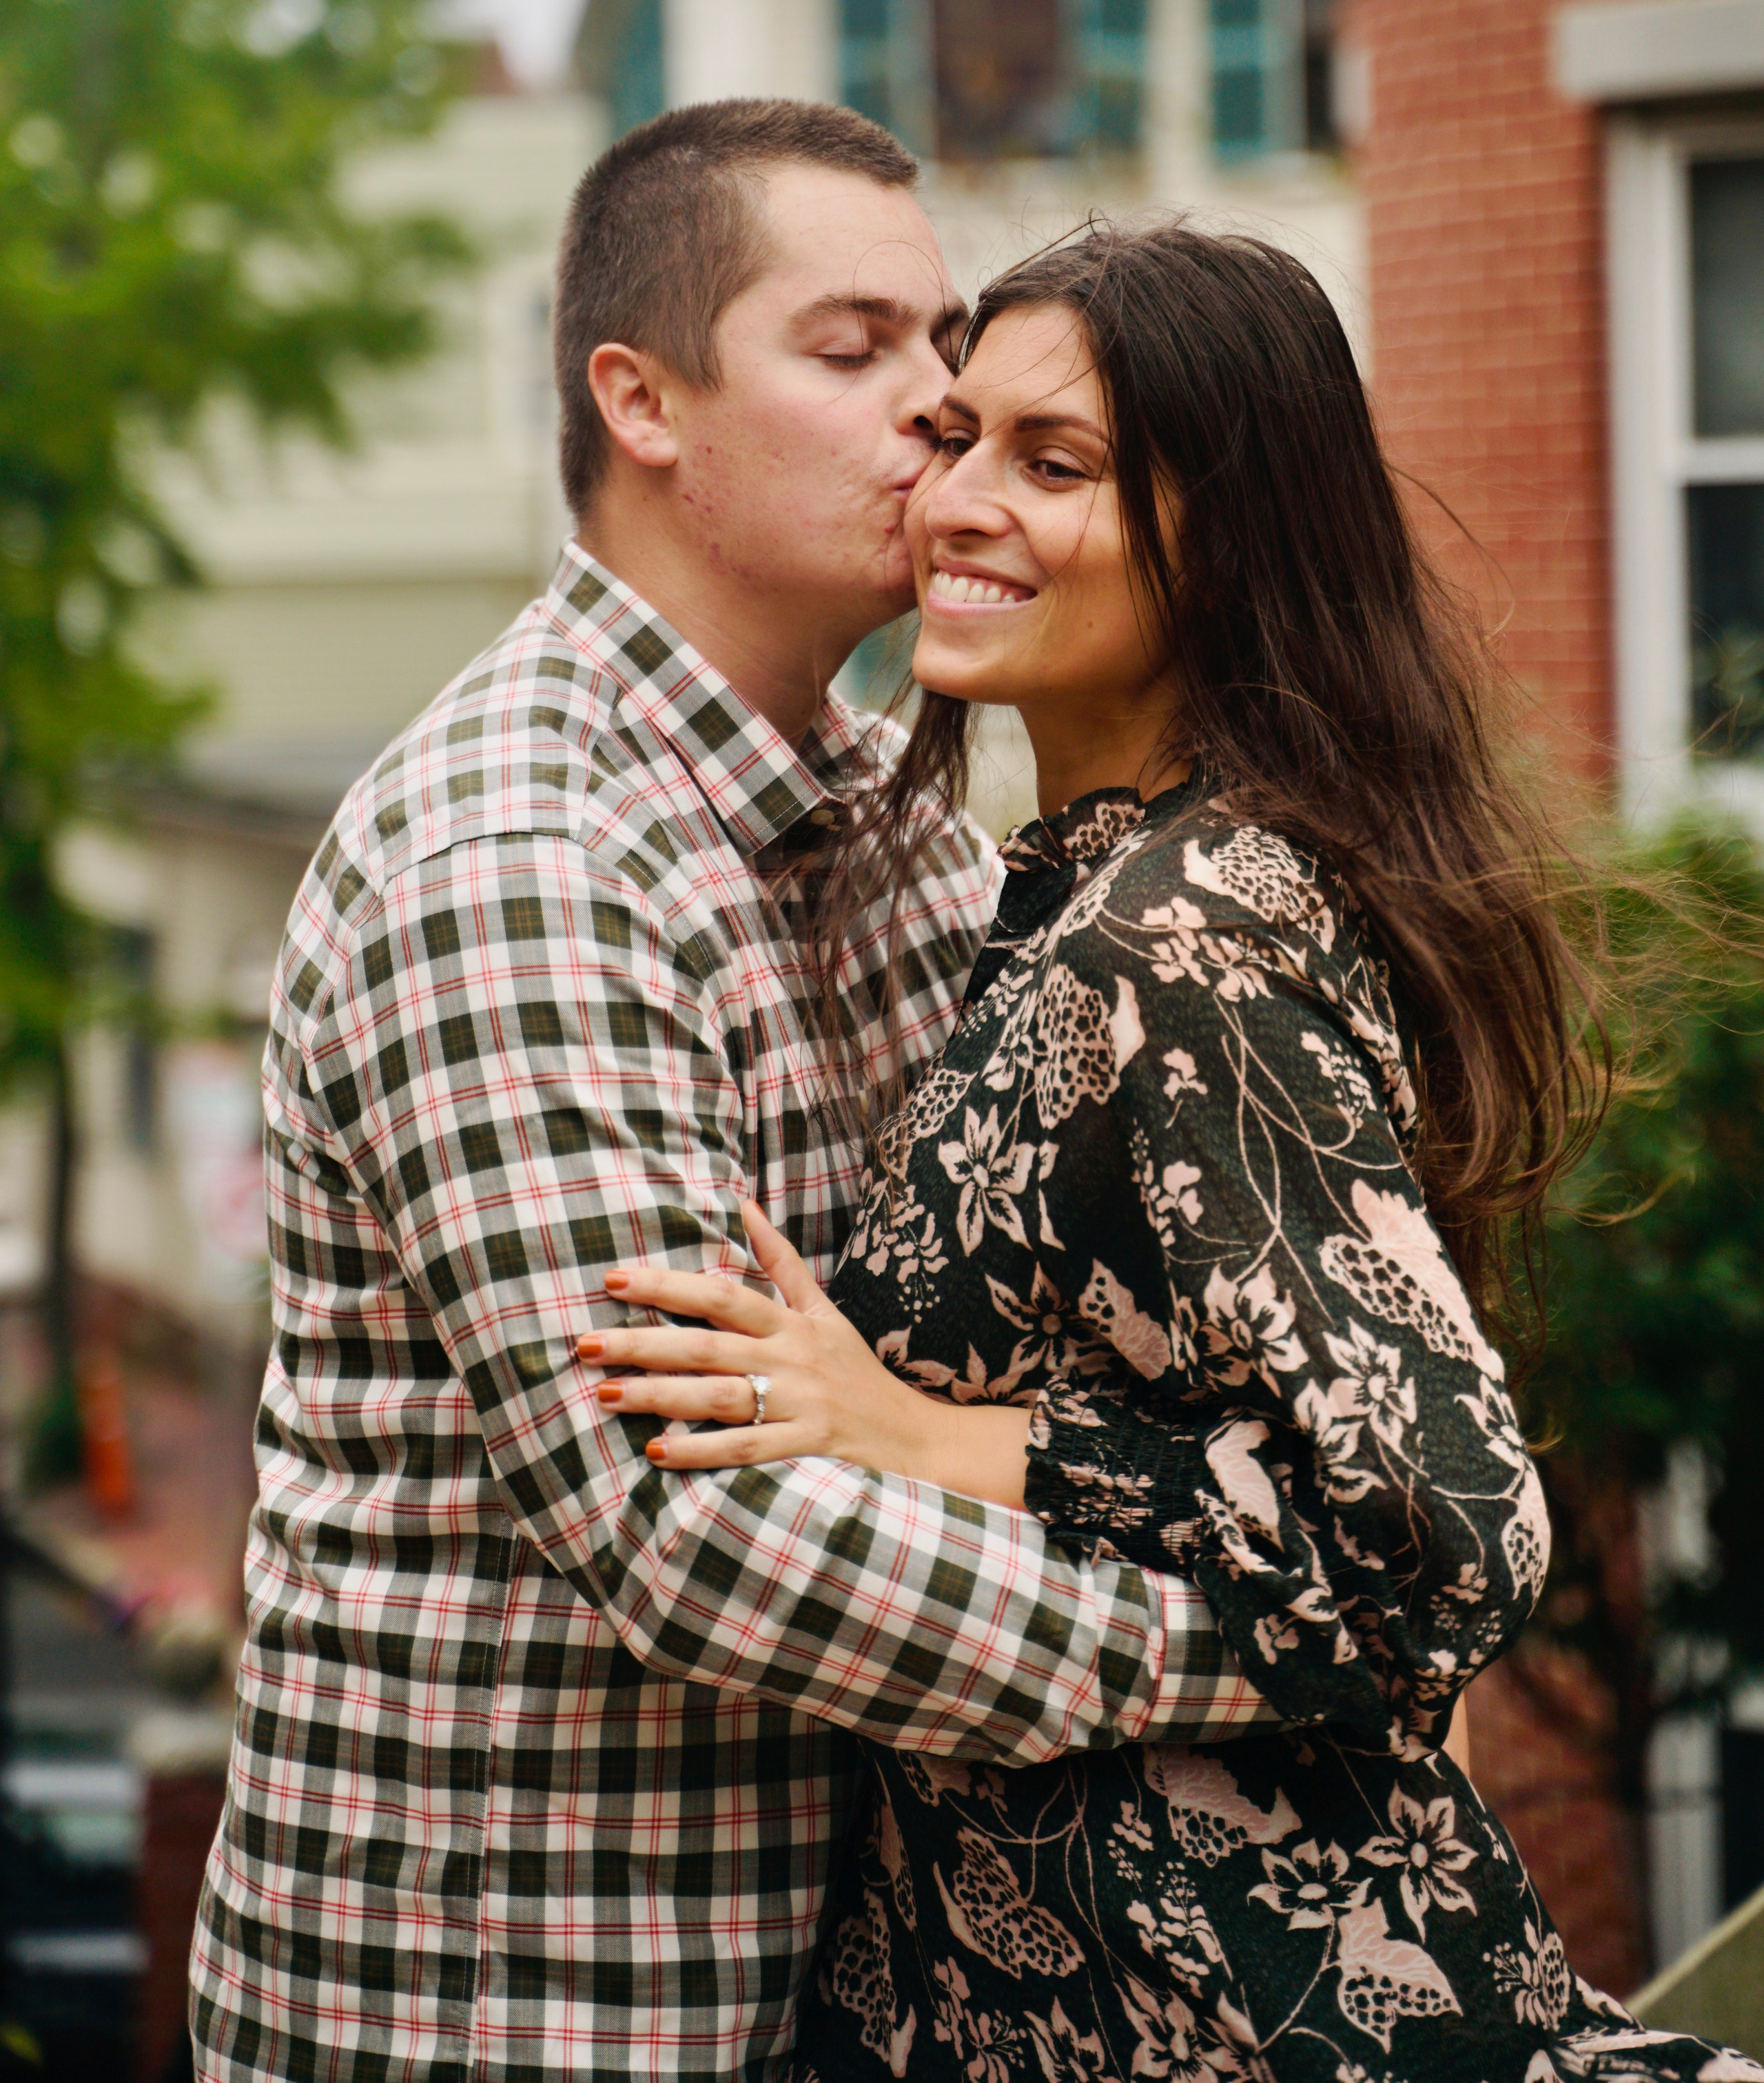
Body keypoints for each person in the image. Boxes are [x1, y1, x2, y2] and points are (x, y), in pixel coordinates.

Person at [583, 220, 1764, 2083]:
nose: (958, 499)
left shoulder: (1181, 932)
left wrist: (927, 1437)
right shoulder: (1083, 899)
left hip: (1260, 2014)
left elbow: (1449, 1534)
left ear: (1226, 539)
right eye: (958, 435)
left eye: (1053, 468)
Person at [187, 108, 1275, 2083]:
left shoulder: (916, 840)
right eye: (854, 349)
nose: (938, 415)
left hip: (848, 2000)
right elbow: (708, 1538)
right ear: (645, 401)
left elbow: (1043, 1377)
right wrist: (1262, 1637)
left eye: (948, 349)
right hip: (520, 2020)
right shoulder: (518, 858)